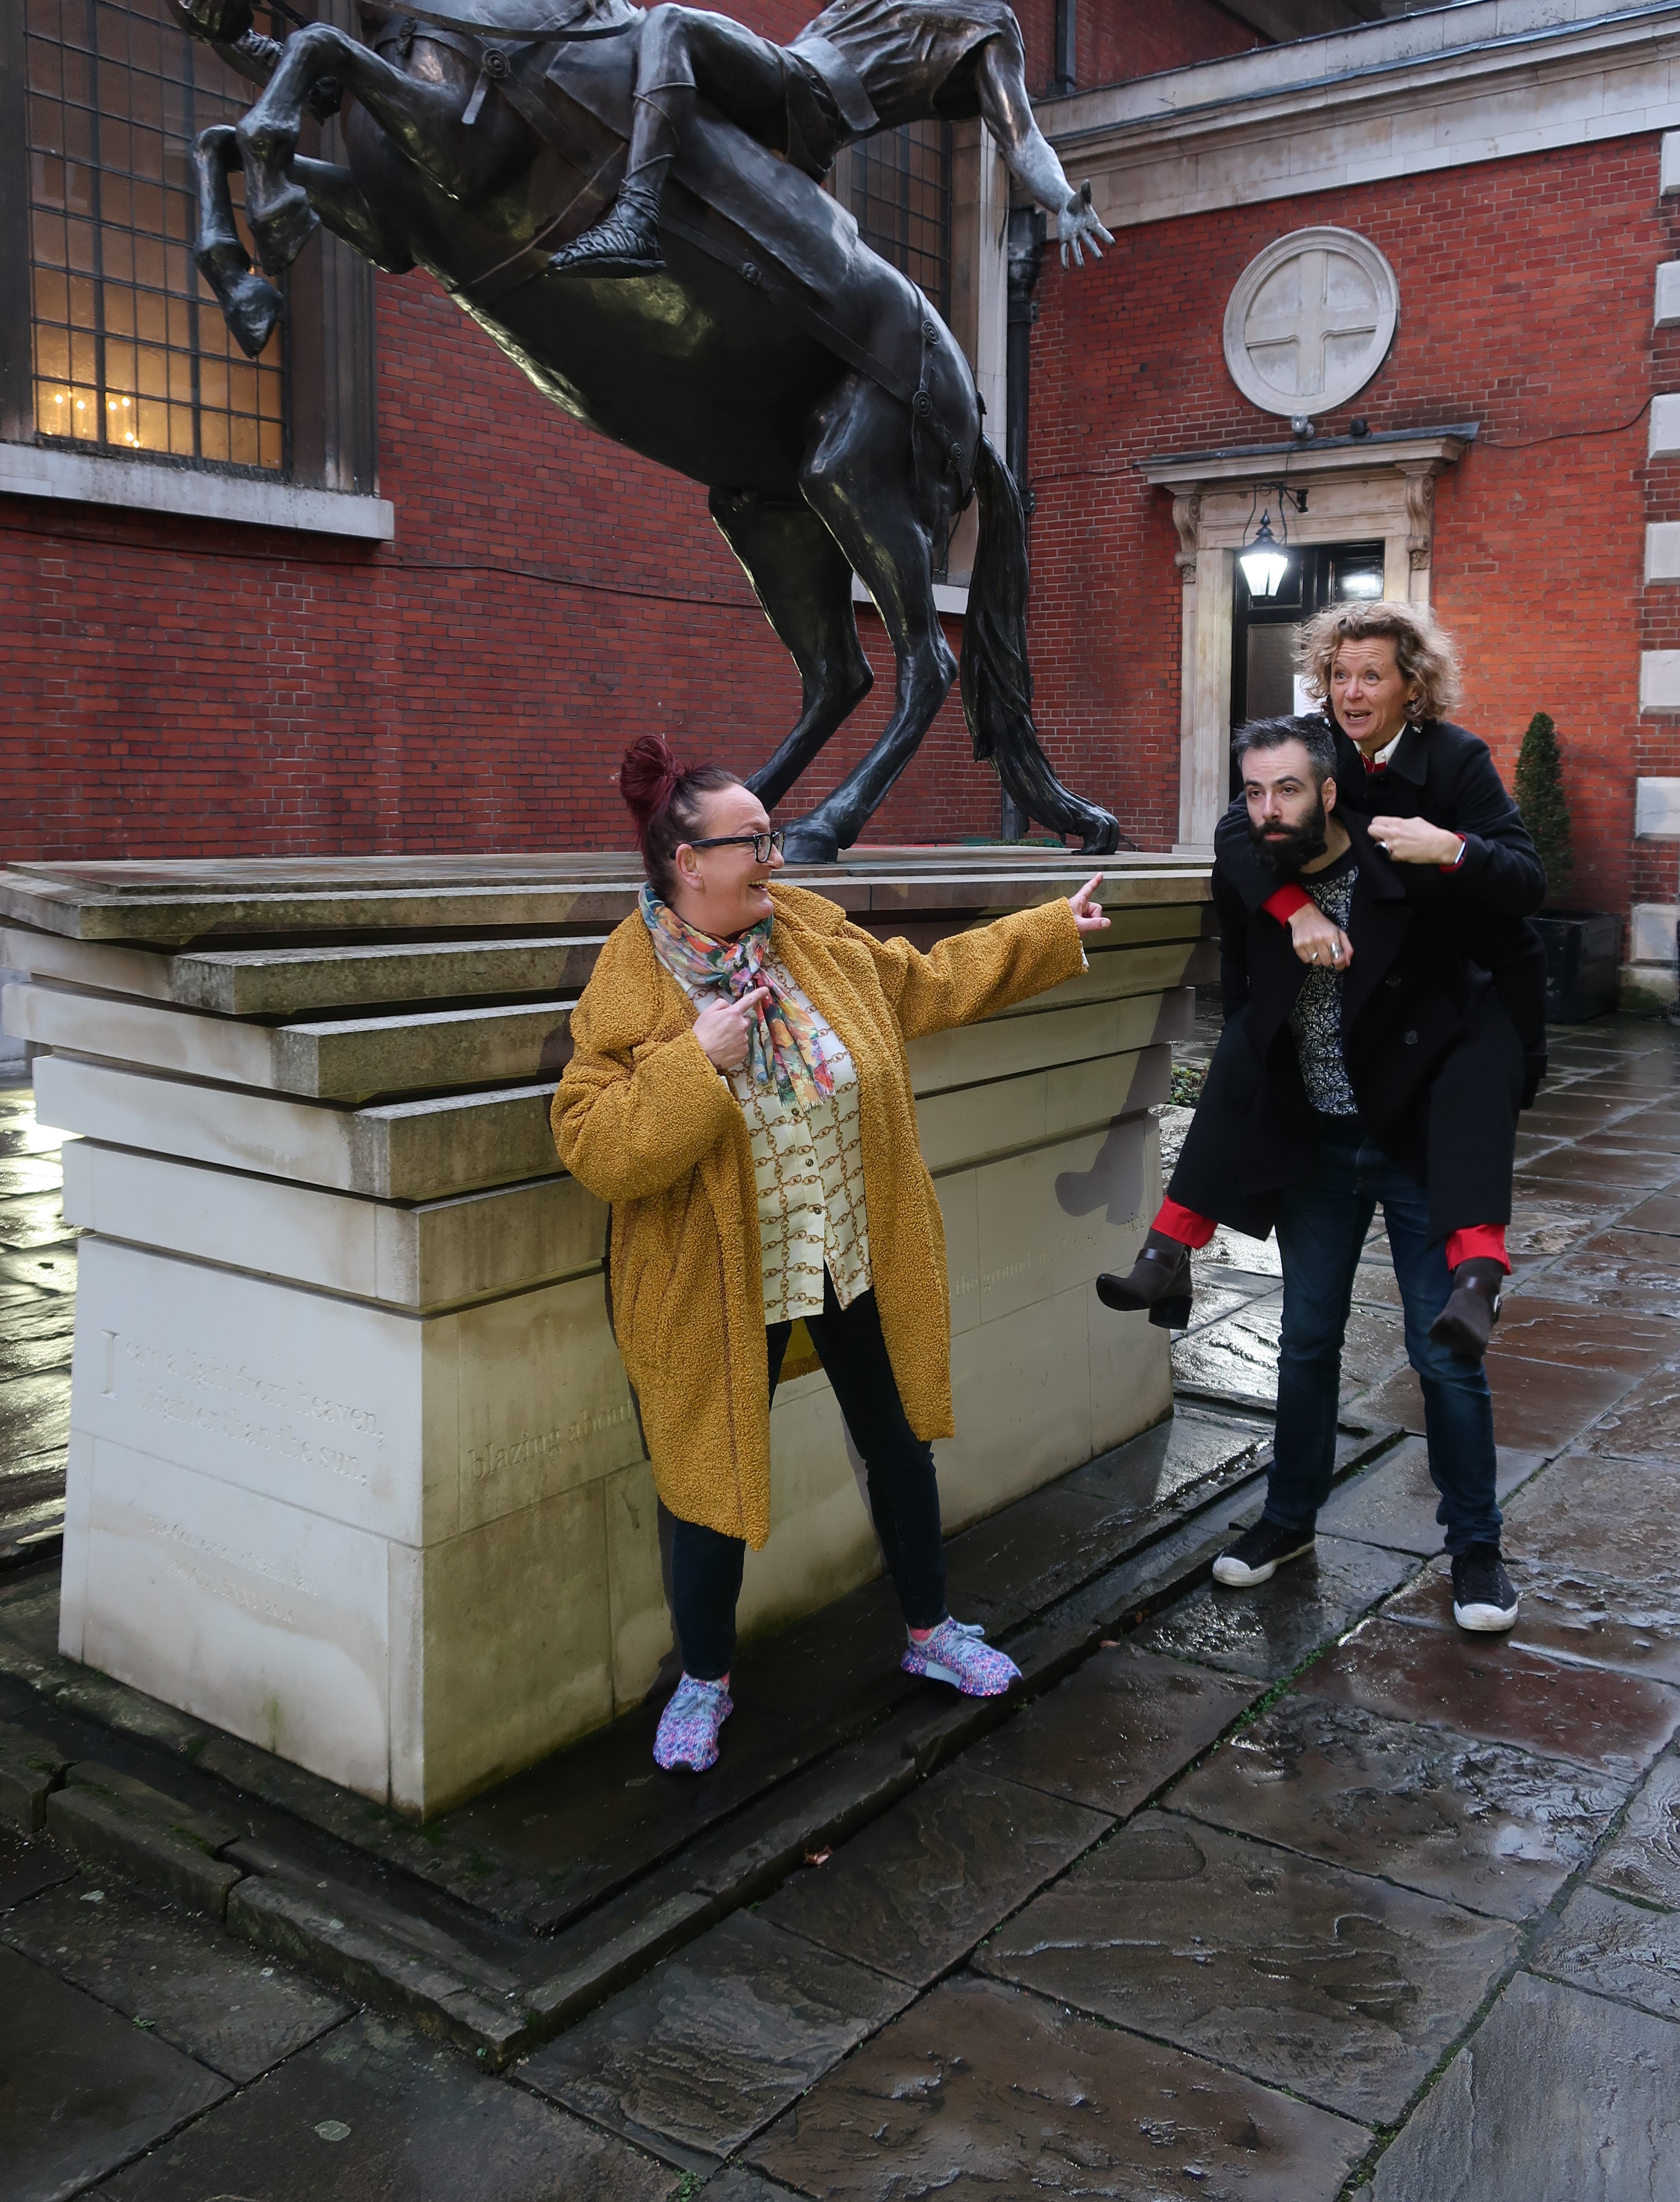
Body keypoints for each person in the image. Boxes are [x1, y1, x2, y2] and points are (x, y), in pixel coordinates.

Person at [553, 734, 1112, 1773]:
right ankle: (704, 1682)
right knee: (707, 1482)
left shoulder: (805, 932)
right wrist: (694, 1064)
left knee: (898, 1441)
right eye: (753, 840)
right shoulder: (633, 984)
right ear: (690, 861)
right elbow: (594, 1146)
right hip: (722, 1280)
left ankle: (931, 1633)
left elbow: (921, 988)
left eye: (772, 834)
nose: (777, 853)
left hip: (848, 1245)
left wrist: (1047, 933)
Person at [1127, 714, 1525, 1632]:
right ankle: (1289, 1520)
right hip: (1318, 1141)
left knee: (1444, 1359)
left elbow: (1506, 920)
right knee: (1305, 1344)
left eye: (1289, 789)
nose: (1269, 809)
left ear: (1331, 791)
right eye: (1254, 791)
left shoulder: (1401, 872)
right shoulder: (1258, 868)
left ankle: (1477, 1551)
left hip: (1414, 1141)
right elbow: (1237, 911)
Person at [1100, 602, 1545, 1361]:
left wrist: (1451, 846)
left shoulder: (1456, 759)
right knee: (1249, 1051)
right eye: (1338, 675)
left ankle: (1478, 1280)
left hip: (1463, 976)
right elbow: (1237, 831)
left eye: (1370, 674)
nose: (1351, 691)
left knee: (1469, 1089)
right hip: (1362, 972)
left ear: (1412, 684)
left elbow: (1526, 882)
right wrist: (1292, 907)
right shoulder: (1317, 749)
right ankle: (1168, 1250)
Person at [549, 0, 1113, 279]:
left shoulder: (989, 31)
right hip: (787, 72)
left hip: (811, 105)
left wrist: (1062, 199)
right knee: (641, 50)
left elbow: (1023, 139)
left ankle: (634, 219)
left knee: (671, 23)